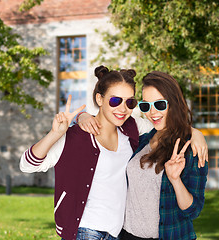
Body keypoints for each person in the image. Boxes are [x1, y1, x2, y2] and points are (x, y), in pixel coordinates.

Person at [79, 71, 208, 239]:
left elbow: (193, 211)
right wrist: (82, 116)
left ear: (174, 103)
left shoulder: (191, 148)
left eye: (160, 105)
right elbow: (107, 118)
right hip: (127, 235)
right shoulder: (142, 138)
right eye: (146, 106)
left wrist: (175, 180)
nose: (153, 112)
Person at [20, 66, 141, 240]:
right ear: (99, 99)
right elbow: (26, 165)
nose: (123, 109)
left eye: (130, 102)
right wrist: (55, 134)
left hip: (115, 233)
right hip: (85, 231)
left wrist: (194, 134)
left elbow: (163, 126)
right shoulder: (75, 137)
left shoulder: (130, 130)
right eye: (115, 101)